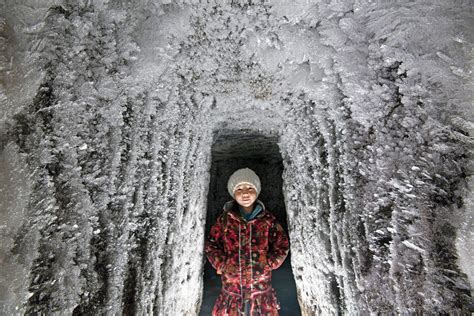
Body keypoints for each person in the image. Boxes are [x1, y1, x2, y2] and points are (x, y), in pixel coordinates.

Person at [205, 168, 290, 315]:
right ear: (233, 193)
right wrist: (222, 264)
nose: (245, 193)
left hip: (260, 290)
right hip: (232, 290)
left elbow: (282, 243)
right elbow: (212, 243)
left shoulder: (267, 220)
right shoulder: (225, 220)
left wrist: (269, 262)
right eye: (239, 189)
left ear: (257, 191)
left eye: (250, 188)